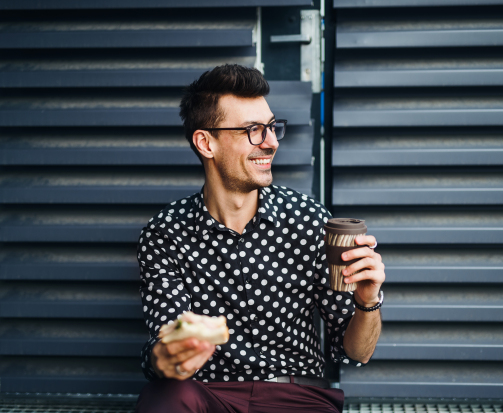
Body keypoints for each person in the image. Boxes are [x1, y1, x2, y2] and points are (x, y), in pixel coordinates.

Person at [135, 64, 385, 413]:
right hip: (208, 395)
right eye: (253, 130)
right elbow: (166, 347)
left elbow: (358, 352)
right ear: (206, 142)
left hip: (298, 396)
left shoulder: (310, 220)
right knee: (166, 398)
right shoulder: (166, 233)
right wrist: (169, 357)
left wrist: (368, 299)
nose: (271, 143)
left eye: (271, 127)